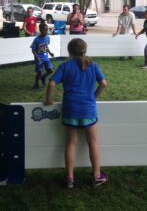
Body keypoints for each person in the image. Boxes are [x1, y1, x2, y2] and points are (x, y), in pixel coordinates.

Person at [44, 38, 108, 188]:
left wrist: (48, 100)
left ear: (69, 51)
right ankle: (97, 176)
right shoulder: (93, 65)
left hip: (70, 110)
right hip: (88, 110)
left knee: (70, 143)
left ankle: (70, 178)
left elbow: (51, 83)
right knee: (93, 143)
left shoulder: (65, 66)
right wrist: (94, 96)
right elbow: (104, 84)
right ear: (85, 50)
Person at [31, 23, 54, 89]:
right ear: (40, 30)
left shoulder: (47, 37)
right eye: (44, 30)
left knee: (50, 70)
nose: (46, 32)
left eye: (47, 30)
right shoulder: (36, 40)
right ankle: (36, 83)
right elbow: (33, 50)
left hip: (46, 57)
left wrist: (50, 53)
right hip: (39, 58)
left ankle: (43, 77)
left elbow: (46, 46)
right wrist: (37, 58)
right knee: (39, 72)